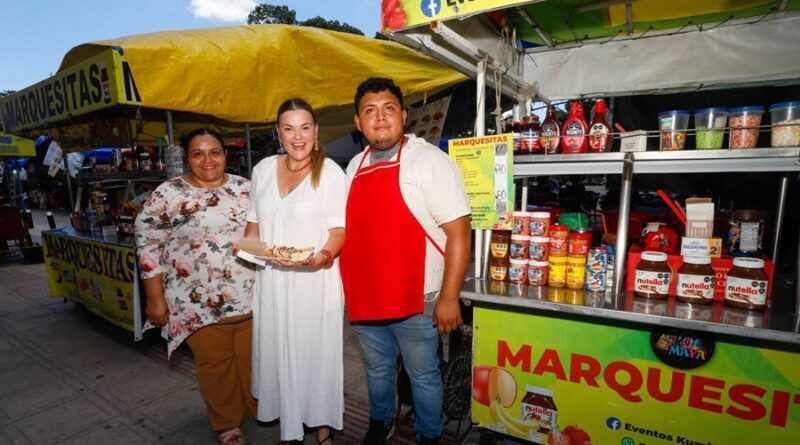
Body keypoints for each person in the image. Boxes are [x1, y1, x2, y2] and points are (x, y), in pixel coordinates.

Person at [340, 78, 471, 445]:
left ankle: (429, 435)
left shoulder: (429, 161)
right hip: (366, 297)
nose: (380, 118)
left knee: (423, 375)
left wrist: (449, 298)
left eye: (388, 109)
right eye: (370, 111)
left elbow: (459, 232)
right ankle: (380, 422)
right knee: (377, 369)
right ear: (358, 122)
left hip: (418, 297)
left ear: (404, 115)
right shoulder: (354, 166)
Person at [135, 128, 256, 445]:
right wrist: (154, 297)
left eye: (214, 152)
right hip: (196, 301)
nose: (207, 160)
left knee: (254, 361)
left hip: (251, 296)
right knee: (215, 364)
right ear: (187, 158)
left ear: (226, 155)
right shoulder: (168, 193)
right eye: (198, 153)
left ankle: (260, 408)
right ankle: (227, 423)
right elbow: (147, 245)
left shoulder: (246, 188)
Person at [244, 98, 347, 445]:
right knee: (278, 353)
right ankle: (289, 429)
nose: (297, 137)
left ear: (316, 131)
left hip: (314, 284)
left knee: (315, 355)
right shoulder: (262, 170)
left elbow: (339, 232)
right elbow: (253, 228)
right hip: (273, 281)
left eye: (305, 128)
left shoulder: (330, 173)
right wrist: (252, 249)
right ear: (278, 133)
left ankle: (322, 431)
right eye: (289, 129)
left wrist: (319, 257)